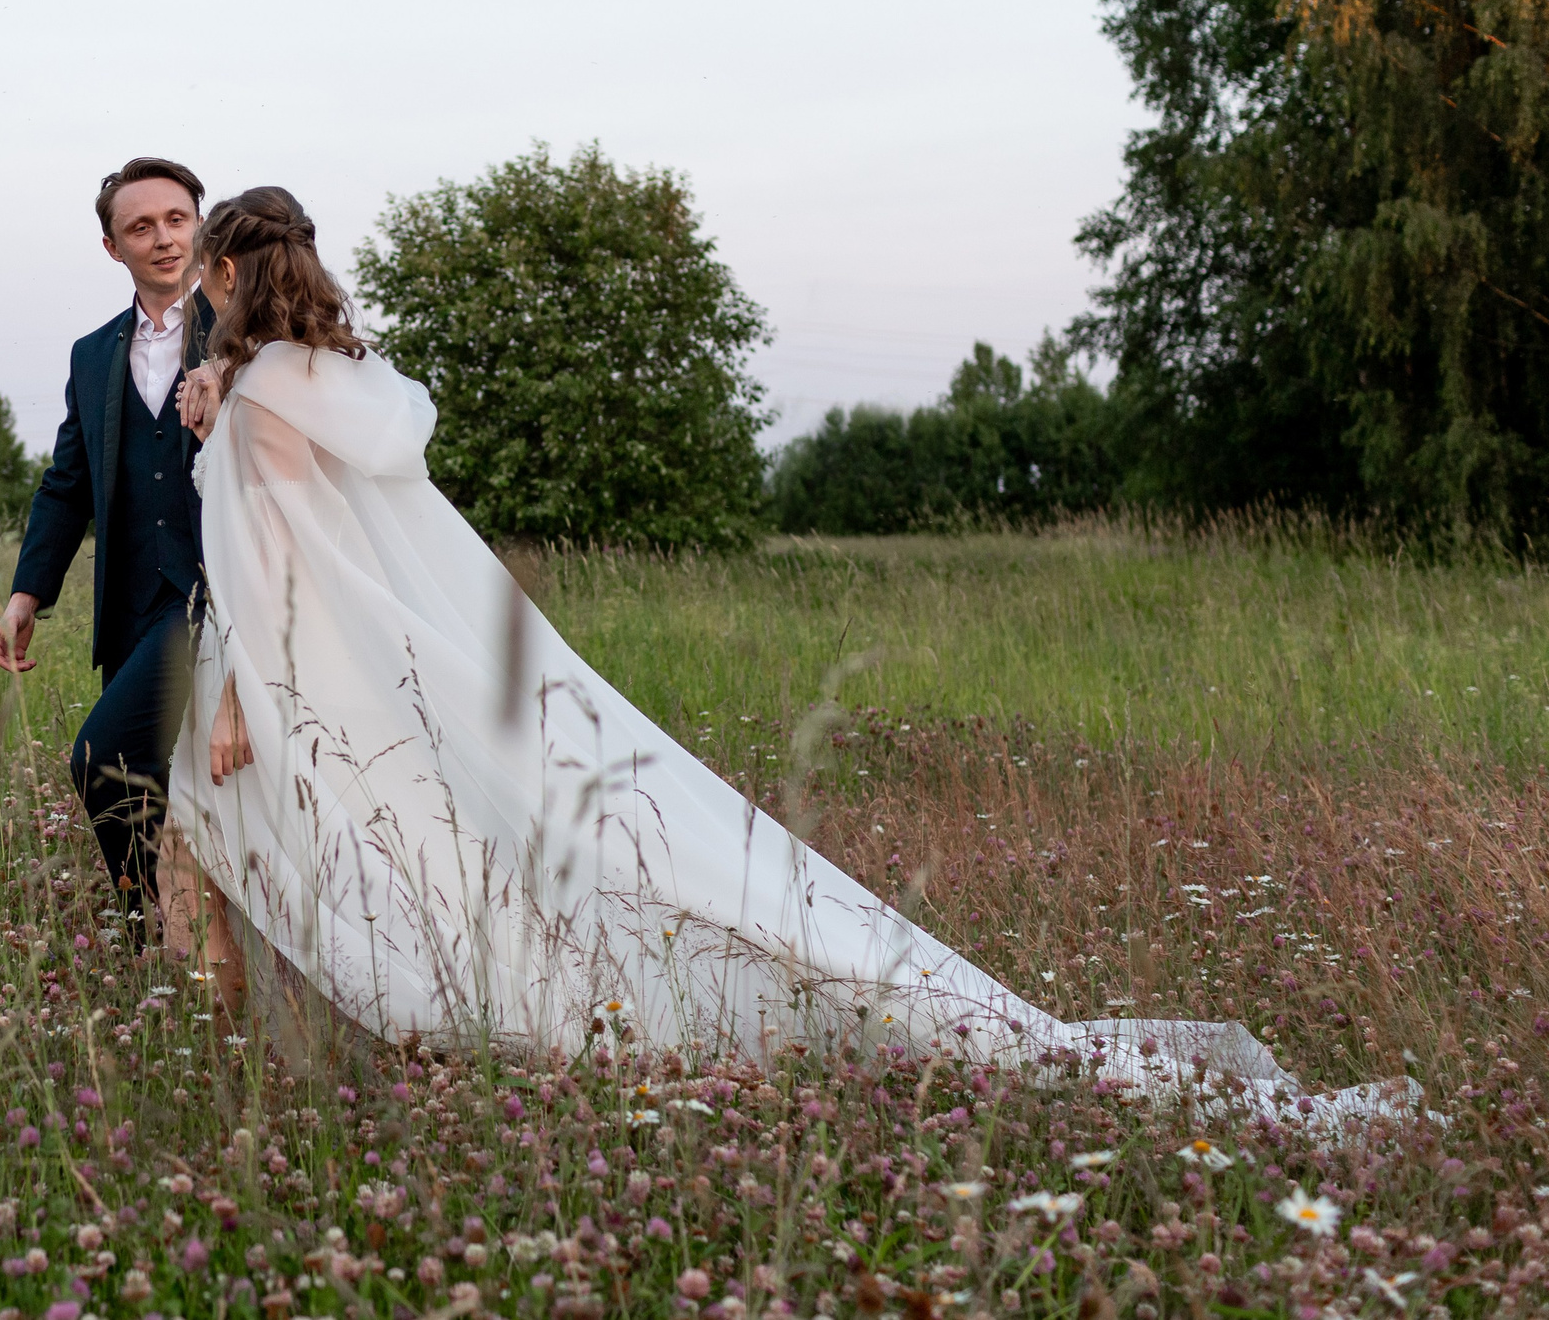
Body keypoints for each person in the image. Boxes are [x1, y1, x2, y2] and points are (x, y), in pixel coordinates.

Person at [161, 184, 1407, 1122]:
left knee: (355, 837)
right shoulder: (320, 377)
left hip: (308, 665)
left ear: (223, 270)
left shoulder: (264, 393)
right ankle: (349, 1039)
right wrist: (223, 397)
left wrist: (241, 701)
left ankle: (337, 1046)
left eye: (205, 273)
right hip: (360, 658)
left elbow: (282, 553)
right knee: (431, 836)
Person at [0, 158, 216, 938]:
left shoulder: (245, 331)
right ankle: (186, 940)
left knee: (104, 757)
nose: (164, 238)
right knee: (161, 775)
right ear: (112, 246)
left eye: (177, 219)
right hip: (130, 603)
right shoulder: (92, 354)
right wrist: (26, 595)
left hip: (217, 593)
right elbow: (67, 483)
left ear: (201, 225)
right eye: (141, 226)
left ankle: (146, 931)